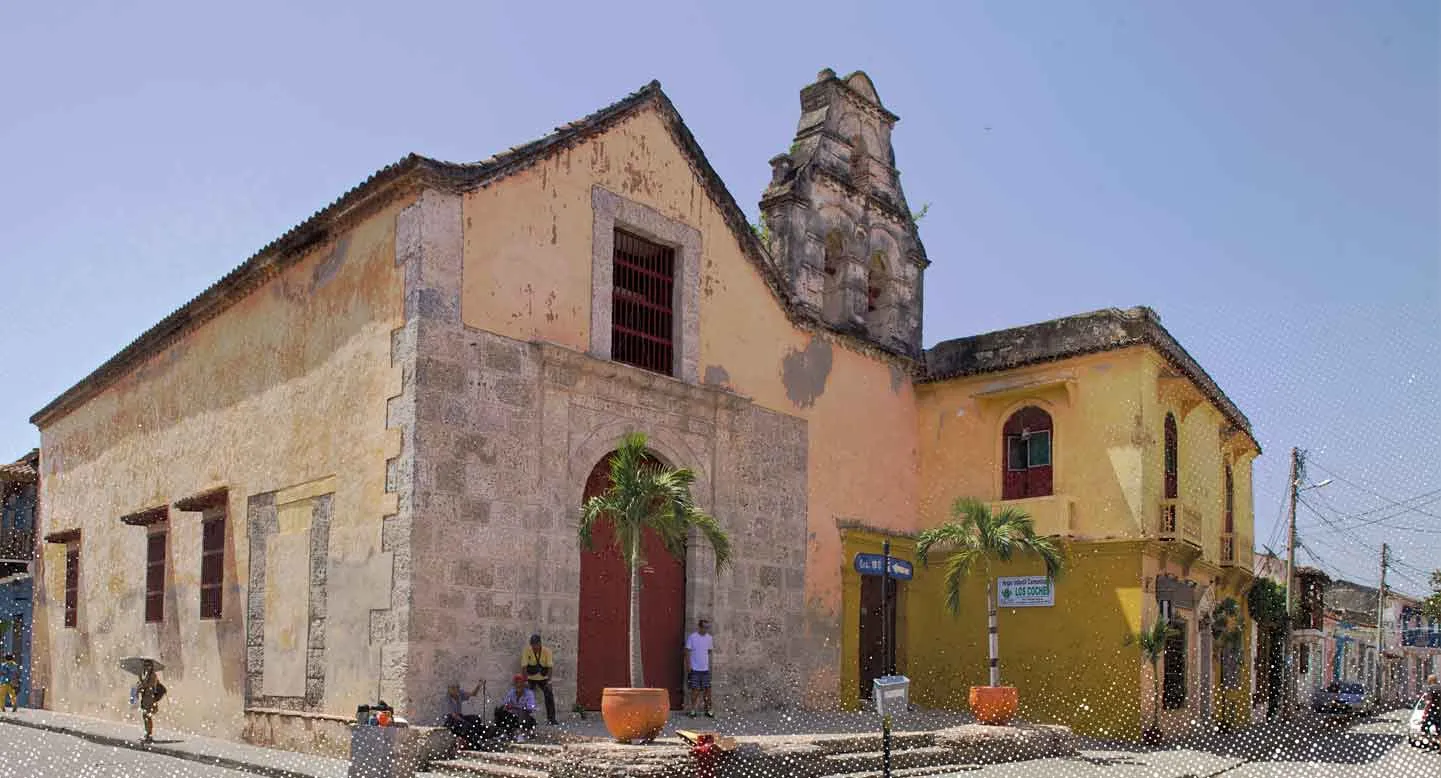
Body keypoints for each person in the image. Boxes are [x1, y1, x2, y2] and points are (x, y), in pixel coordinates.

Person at [522, 634, 558, 725]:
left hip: (543, 678)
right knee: (526, 695)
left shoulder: (547, 651)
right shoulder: (527, 651)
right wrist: (525, 681)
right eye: (532, 645)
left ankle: (552, 719)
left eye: (536, 645)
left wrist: (549, 681)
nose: (534, 647)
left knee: (549, 694)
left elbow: (550, 667)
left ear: (540, 644)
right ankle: (525, 718)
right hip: (531, 678)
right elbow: (524, 667)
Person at [683, 618, 715, 718]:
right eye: (704, 627)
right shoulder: (692, 637)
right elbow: (687, 651)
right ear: (699, 627)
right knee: (695, 690)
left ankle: (708, 709)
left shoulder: (709, 638)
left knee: (707, 690)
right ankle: (693, 710)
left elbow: (709, 651)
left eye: (707, 627)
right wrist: (688, 666)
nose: (706, 629)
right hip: (695, 669)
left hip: (705, 669)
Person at [494, 674, 537, 742]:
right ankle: (505, 733)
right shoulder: (512, 692)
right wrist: (506, 706)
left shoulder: (529, 693)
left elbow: (530, 708)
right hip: (514, 717)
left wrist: (515, 707)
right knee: (500, 711)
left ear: (524, 684)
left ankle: (521, 735)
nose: (518, 685)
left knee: (522, 712)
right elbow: (506, 702)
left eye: (520, 682)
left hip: (526, 718)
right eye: (516, 683)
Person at [443, 680, 486, 749]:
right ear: (449, 689)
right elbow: (454, 715)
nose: (456, 690)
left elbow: (473, 694)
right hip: (451, 720)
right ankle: (474, 745)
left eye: (457, 688)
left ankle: (480, 737)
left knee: (475, 719)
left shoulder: (460, 693)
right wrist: (464, 721)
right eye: (453, 688)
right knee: (467, 725)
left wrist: (479, 685)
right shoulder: (447, 699)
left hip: (459, 716)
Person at [136, 661, 166, 744]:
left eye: (148, 666)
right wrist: (141, 681)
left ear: (151, 666)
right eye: (145, 665)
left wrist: (140, 682)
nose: (146, 667)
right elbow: (144, 686)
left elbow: (147, 685)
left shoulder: (152, 675)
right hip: (146, 699)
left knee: (147, 716)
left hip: (150, 699)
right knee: (146, 716)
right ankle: (147, 734)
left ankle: (149, 735)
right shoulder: (148, 675)